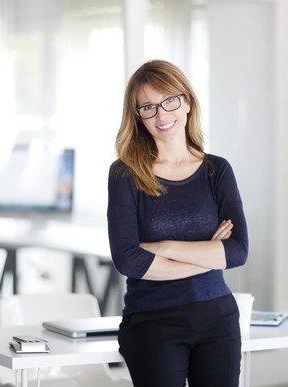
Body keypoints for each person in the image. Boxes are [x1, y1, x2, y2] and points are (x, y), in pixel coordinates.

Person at [107, 59, 249, 387]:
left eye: (169, 100)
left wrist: (166, 248)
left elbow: (238, 251)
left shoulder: (217, 170)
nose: (161, 115)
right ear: (138, 117)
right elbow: (129, 259)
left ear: (186, 102)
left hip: (218, 318)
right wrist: (208, 253)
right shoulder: (125, 174)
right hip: (153, 322)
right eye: (148, 107)